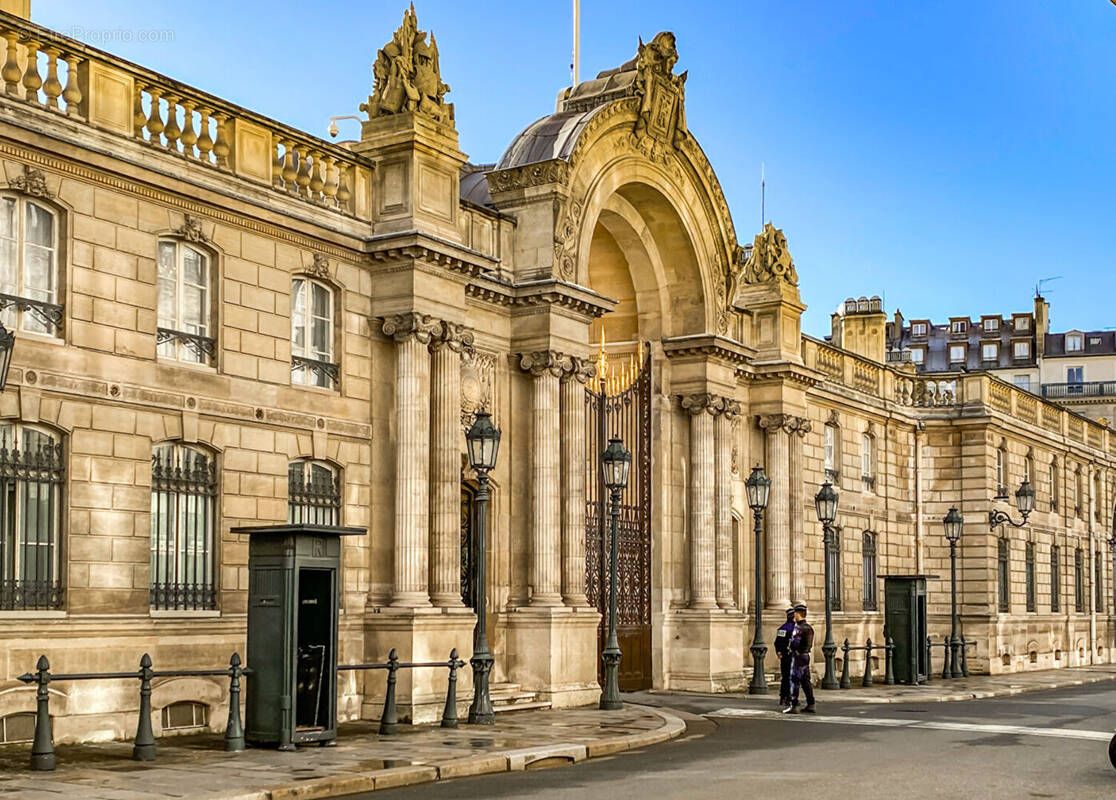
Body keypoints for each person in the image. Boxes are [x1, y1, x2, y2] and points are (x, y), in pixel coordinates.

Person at [783, 603, 816, 714]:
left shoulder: (798, 628)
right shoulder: (809, 628)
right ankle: (811, 703)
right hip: (806, 655)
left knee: (794, 680)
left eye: (795, 613)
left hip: (797, 656)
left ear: (798, 614)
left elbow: (794, 643)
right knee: (806, 680)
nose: (794, 616)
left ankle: (793, 705)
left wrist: (791, 647)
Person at [773, 607, 796, 707]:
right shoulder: (795, 628)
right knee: (791, 677)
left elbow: (777, 642)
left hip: (785, 656)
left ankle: (783, 697)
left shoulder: (783, 628)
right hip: (791, 655)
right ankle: (789, 697)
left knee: (785, 677)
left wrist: (778, 652)